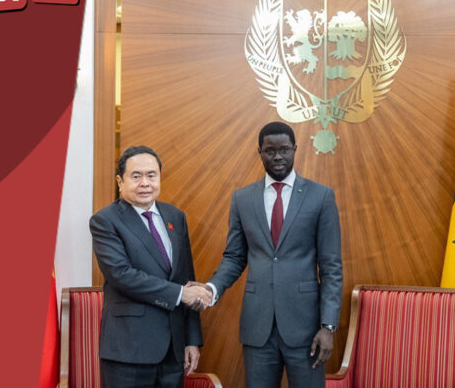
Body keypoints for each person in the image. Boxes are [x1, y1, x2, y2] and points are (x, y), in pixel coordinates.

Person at [197, 122, 343, 388]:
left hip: (307, 329)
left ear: (295, 149)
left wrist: (328, 326)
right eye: (270, 151)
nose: (277, 156)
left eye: (284, 149)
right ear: (260, 152)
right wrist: (211, 289)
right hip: (258, 327)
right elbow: (234, 257)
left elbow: (331, 267)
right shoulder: (242, 199)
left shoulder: (320, 197)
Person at [90, 145, 212, 388]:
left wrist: (191, 340)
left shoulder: (175, 217)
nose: (145, 183)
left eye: (151, 175)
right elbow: (122, 275)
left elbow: (186, 277)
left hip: (173, 351)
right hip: (129, 350)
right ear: (120, 181)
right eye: (136, 176)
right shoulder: (105, 221)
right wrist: (180, 294)